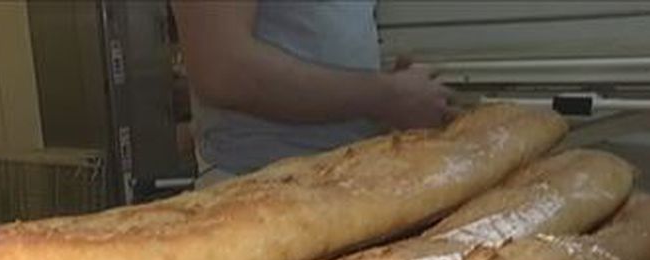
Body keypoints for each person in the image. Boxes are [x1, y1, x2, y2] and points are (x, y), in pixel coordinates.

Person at [172, 0, 454, 188]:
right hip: (262, 194)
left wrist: (391, 97)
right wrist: (385, 96)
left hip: (347, 179)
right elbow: (222, 69)